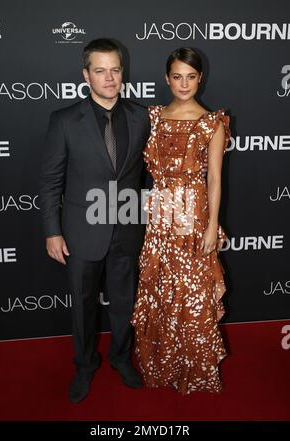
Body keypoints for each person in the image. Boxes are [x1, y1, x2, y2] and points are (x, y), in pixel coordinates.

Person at [39, 38, 151, 403]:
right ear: (85, 74)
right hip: (81, 231)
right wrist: (52, 232)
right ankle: (84, 366)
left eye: (115, 69)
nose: (109, 78)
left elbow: (147, 177)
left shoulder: (141, 116)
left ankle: (121, 358)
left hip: (127, 228)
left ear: (123, 72)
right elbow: (51, 181)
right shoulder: (65, 120)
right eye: (100, 70)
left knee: (124, 303)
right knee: (83, 306)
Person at [131, 47, 230, 394]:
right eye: (177, 76)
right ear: (167, 78)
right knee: (160, 290)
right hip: (159, 216)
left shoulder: (212, 121)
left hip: (193, 217)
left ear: (199, 78)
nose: (184, 83)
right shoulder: (153, 117)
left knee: (190, 293)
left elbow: (215, 179)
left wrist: (211, 225)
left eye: (190, 76)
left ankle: (193, 370)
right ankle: (162, 366)